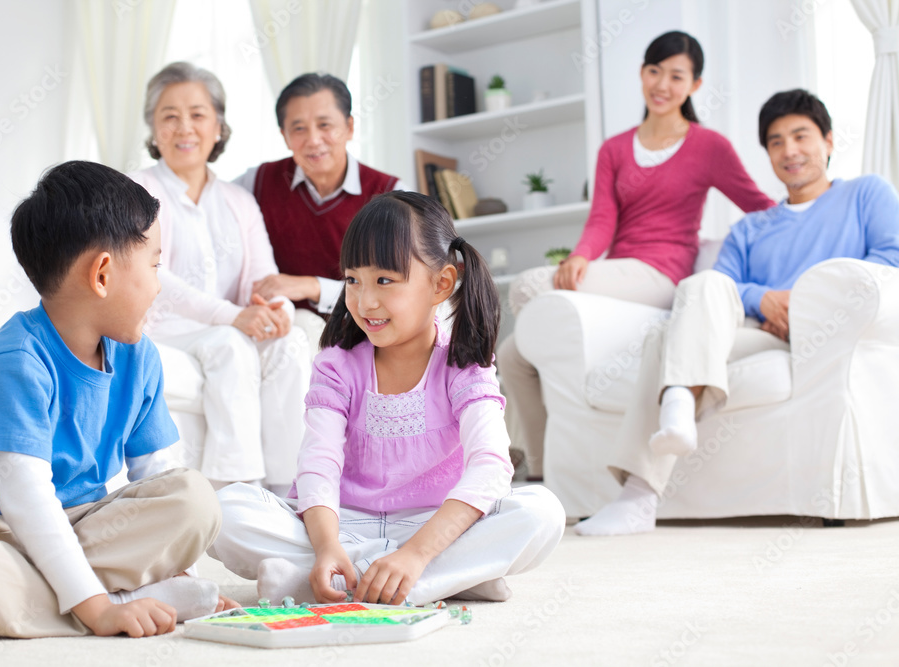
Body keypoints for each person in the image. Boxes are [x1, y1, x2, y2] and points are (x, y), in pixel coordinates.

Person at [0, 161, 234, 638]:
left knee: (194, 498)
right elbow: (26, 499)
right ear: (102, 274)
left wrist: (180, 574)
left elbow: (157, 474)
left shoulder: (140, 359)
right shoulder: (16, 359)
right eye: (154, 265)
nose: (159, 284)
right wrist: (99, 612)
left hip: (80, 529)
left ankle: (9, 602)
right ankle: (100, 601)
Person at [207, 192, 565, 606]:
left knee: (542, 512)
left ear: (441, 283)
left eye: (384, 281)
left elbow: (490, 465)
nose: (364, 301)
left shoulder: (465, 363)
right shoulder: (336, 364)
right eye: (353, 280)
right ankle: (442, 579)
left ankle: (359, 580)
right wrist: (326, 548)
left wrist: (415, 554)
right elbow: (318, 465)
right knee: (227, 511)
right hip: (344, 525)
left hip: (435, 529)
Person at [575, 89, 899, 536]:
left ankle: (642, 484)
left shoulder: (867, 194)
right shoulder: (750, 227)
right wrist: (761, 299)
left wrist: (801, 298)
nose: (790, 151)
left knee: (668, 338)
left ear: (827, 141)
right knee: (693, 295)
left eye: (801, 136)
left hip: (826, 333)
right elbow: (719, 286)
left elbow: (890, 262)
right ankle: (667, 433)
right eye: (776, 142)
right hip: (761, 331)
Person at [498, 31, 774, 480]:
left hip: (662, 277)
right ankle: (545, 478)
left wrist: (811, 224)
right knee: (512, 354)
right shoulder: (614, 149)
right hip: (618, 275)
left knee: (529, 286)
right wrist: (581, 255)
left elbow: (759, 207)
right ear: (642, 74)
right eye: (654, 71)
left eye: (676, 76)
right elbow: (601, 221)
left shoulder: (709, 146)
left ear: (695, 86)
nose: (662, 84)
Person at [129, 62, 310, 493]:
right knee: (230, 345)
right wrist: (233, 317)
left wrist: (278, 309)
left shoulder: (238, 200)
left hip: (232, 322)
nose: (184, 127)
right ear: (154, 131)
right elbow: (153, 276)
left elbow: (264, 276)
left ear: (218, 127)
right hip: (167, 327)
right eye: (169, 116)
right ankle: (236, 489)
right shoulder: (135, 190)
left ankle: (293, 489)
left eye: (197, 114)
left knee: (291, 341)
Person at [234, 73, 410, 356]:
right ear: (285, 136)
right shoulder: (255, 182)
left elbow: (402, 286)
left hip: (369, 332)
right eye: (299, 129)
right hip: (283, 336)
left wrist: (312, 287)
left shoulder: (391, 194)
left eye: (325, 125)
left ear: (350, 127)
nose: (314, 140)